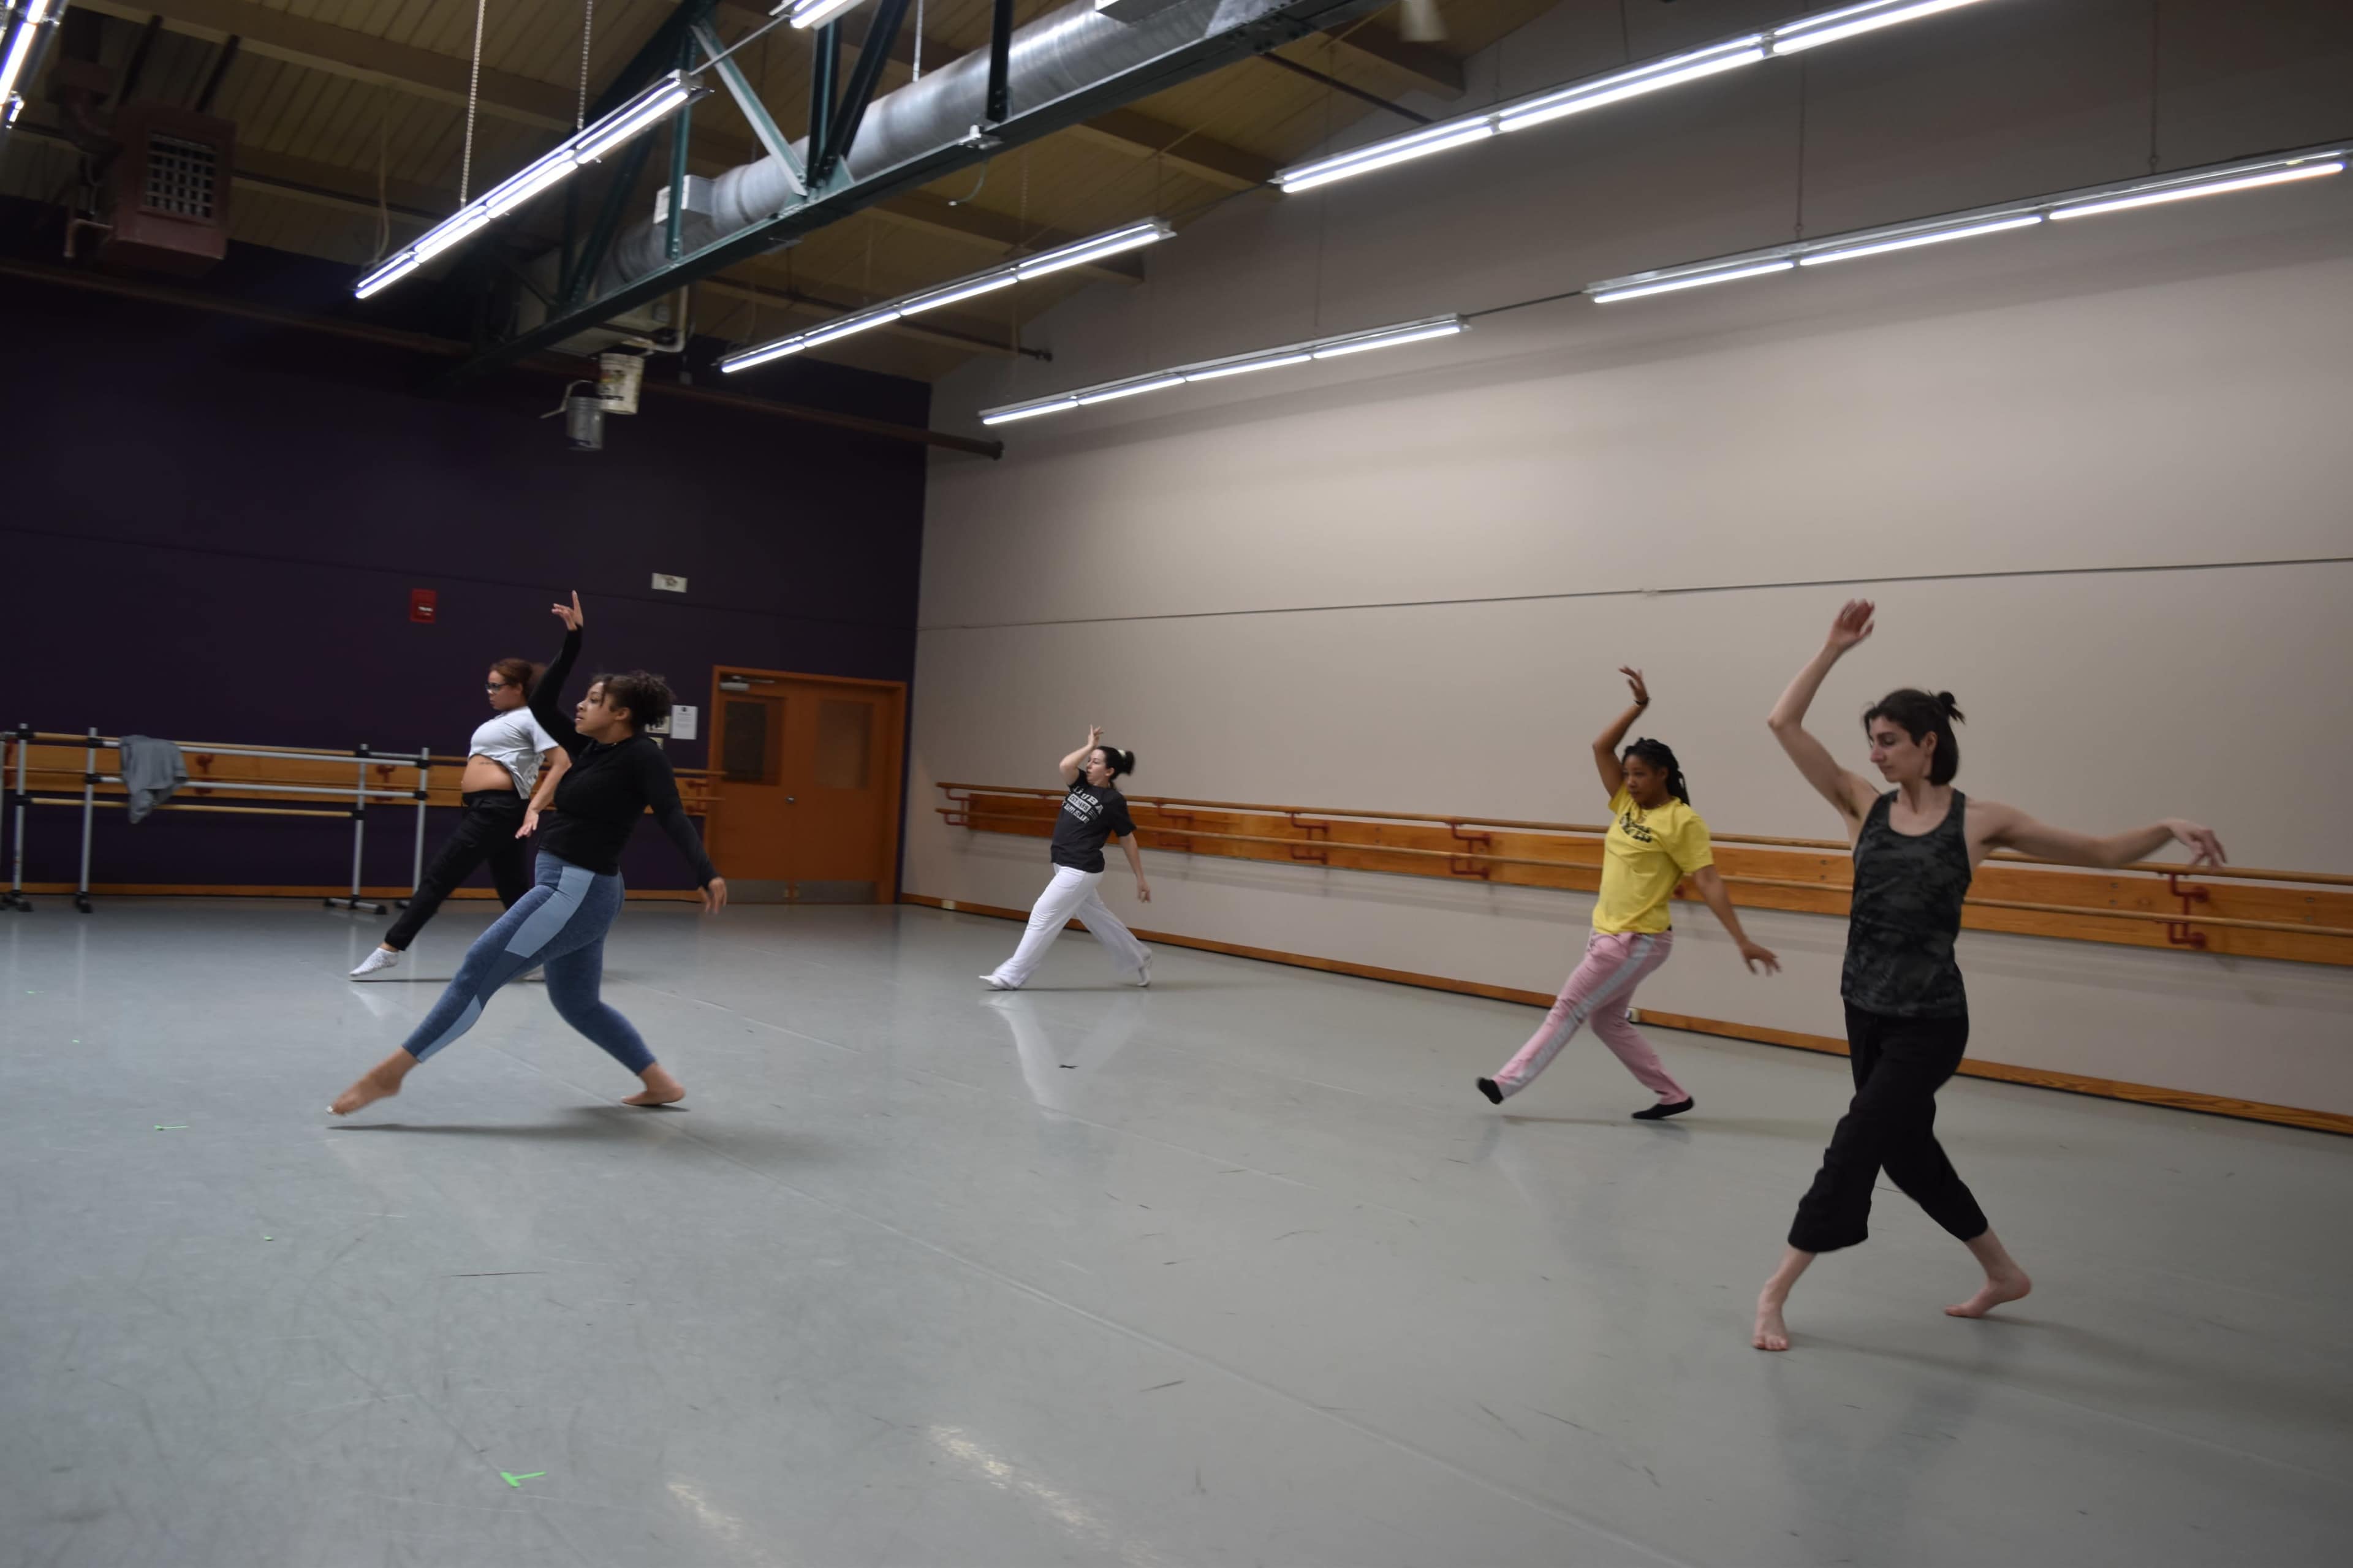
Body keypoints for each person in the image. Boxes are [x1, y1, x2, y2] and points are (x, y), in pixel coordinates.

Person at [1751, 600, 2225, 1351]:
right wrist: (1833, 649)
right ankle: (2003, 1273)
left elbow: (2099, 852)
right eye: (1870, 743)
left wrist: (2166, 826)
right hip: (1865, 1010)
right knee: (1907, 1153)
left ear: (1927, 744)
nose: (1875, 755)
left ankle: (1776, 1292)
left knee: (1859, 1138)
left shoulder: (1979, 822)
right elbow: (1782, 724)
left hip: (1932, 1020)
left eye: (1889, 742)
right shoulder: (1860, 806)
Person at [331, 593, 727, 1116]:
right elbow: (542, 702)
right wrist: (574, 640)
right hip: (579, 890)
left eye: (593, 699)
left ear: (621, 714)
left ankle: (390, 1075)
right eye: (583, 698)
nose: (581, 706)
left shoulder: (642, 757)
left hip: (576, 888)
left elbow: (674, 814)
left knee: (477, 968)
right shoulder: (591, 747)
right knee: (577, 1001)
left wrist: (706, 872)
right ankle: (660, 1082)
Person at [1477, 668, 1780, 1118]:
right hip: (1607, 932)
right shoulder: (1625, 803)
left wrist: (1742, 939)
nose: (1631, 781)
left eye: (1640, 774)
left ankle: (1507, 1082)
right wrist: (1640, 706)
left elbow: (1709, 880)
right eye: (1628, 773)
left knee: (1569, 1009)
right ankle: (1673, 1095)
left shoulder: (1683, 821)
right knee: (1608, 1020)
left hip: (1638, 939)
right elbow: (1600, 747)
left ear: (1663, 774)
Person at [348, 657, 567, 977]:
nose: (489, 692)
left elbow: (562, 763)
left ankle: (390, 948)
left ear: (519, 688)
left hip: (498, 809)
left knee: (440, 877)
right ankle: (549, 951)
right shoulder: (505, 719)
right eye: (488, 685)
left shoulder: (532, 719)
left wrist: (535, 807)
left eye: (497, 686)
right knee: (513, 889)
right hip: (486, 809)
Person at [980, 726, 1153, 991]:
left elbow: (1127, 838)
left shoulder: (1112, 800)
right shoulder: (1080, 784)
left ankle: (1011, 975)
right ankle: (1137, 956)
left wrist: (1140, 878)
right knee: (1097, 917)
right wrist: (1089, 746)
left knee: (1042, 914)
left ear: (1109, 772)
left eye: (1096, 762)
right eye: (1089, 761)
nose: (1089, 765)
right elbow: (1065, 765)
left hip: (1081, 869)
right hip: (1064, 864)